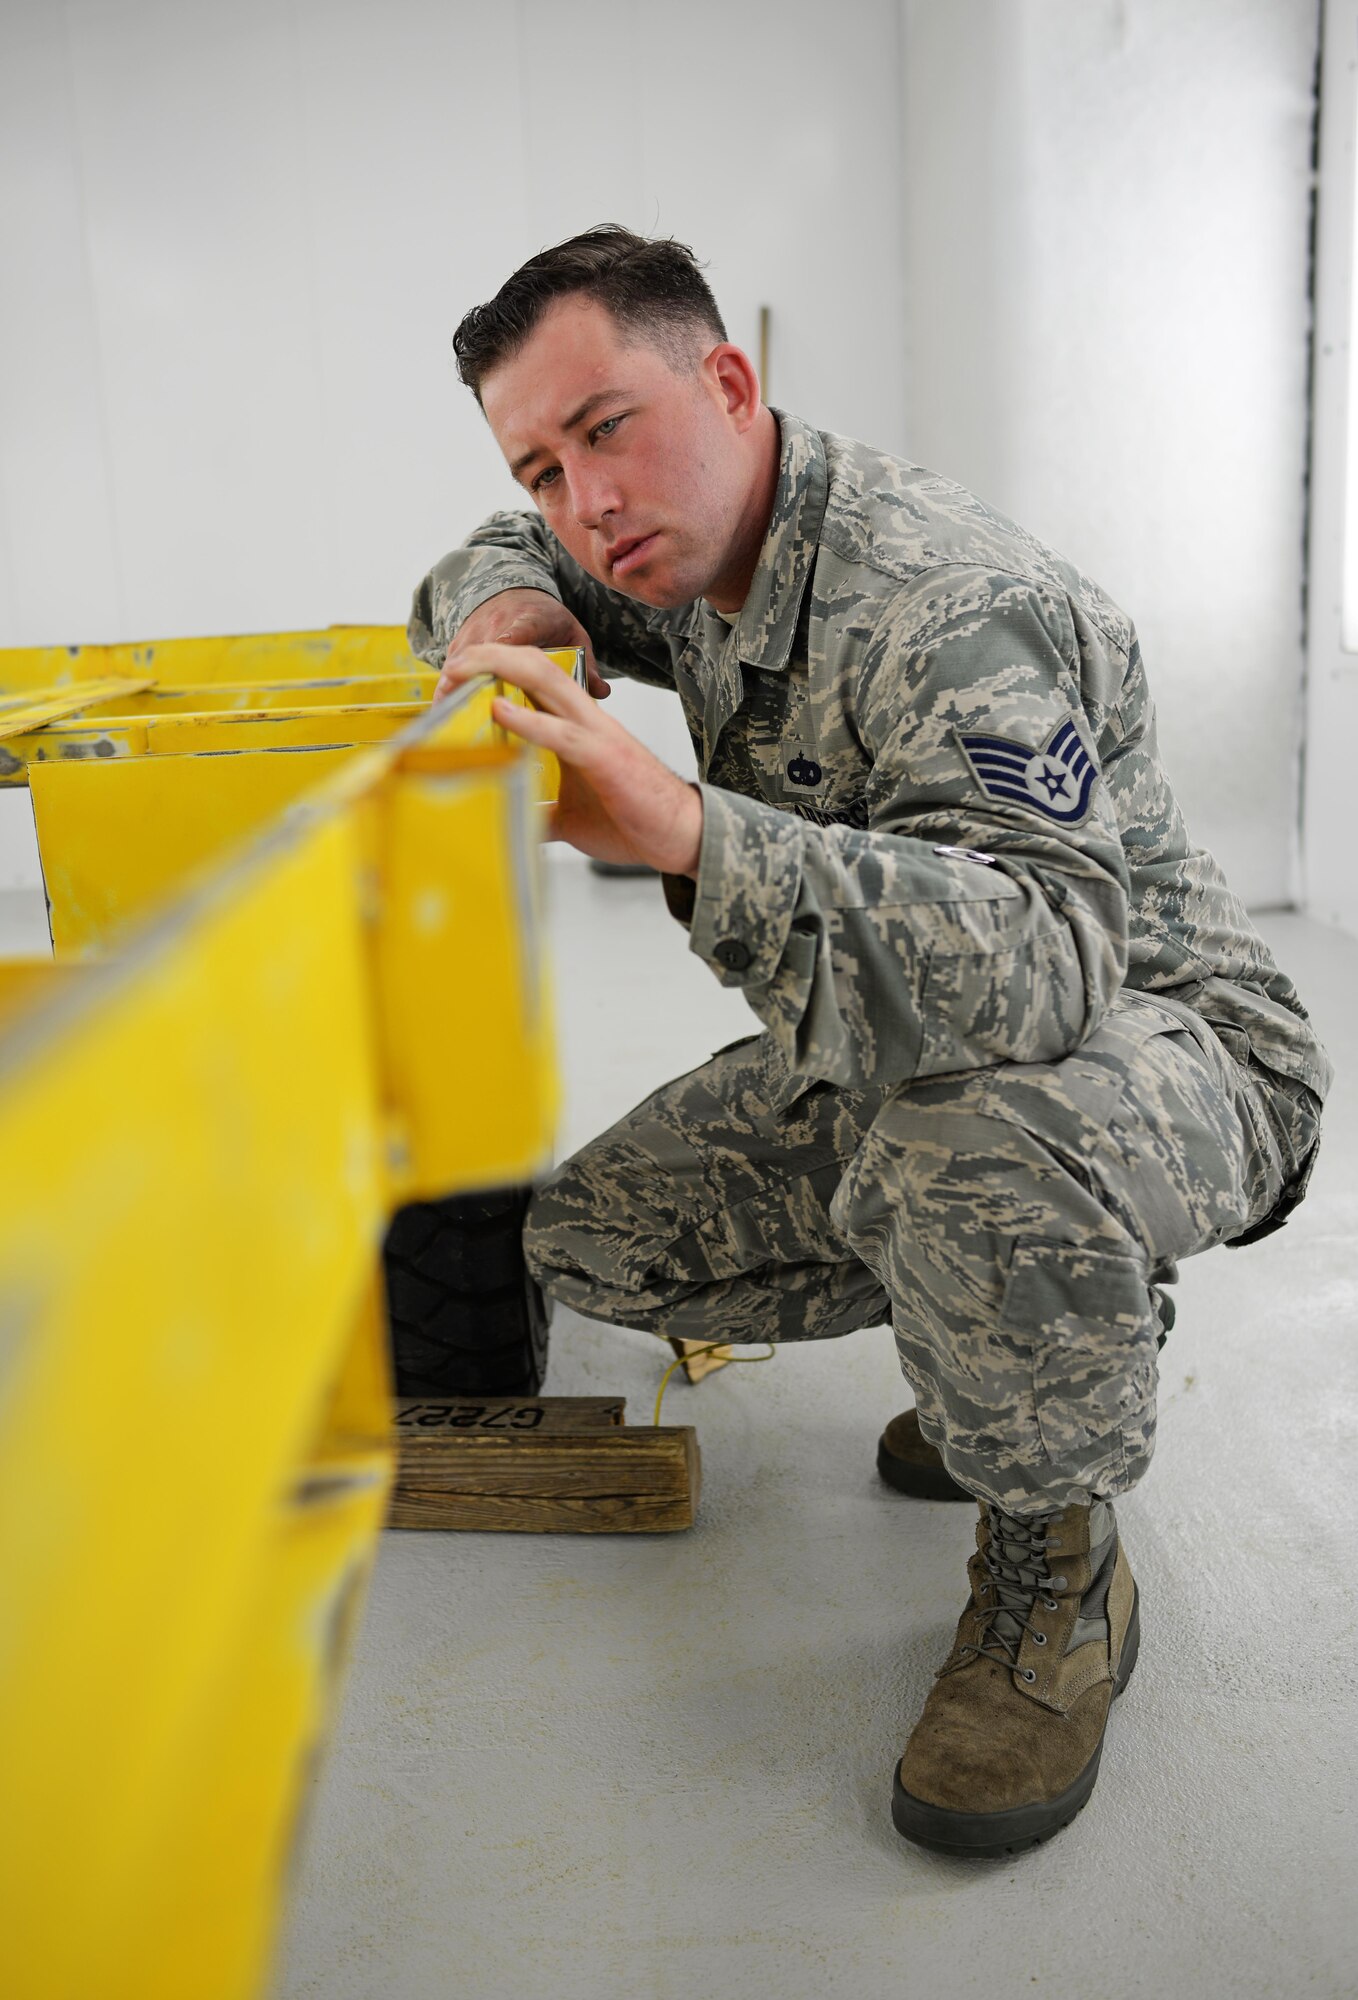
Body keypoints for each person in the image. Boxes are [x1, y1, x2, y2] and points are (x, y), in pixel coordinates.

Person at [409, 225, 1331, 1859]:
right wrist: (503, 595)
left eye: (605, 429)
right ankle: (1012, 1331)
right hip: (959, 1047)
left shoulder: (939, 605)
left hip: (1170, 1039)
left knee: (962, 1160)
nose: (584, 504)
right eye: (544, 465)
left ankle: (1056, 1584)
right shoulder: (677, 554)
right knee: (602, 1237)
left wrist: (689, 832)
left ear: (729, 380)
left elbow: (1052, 961)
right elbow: (510, 549)